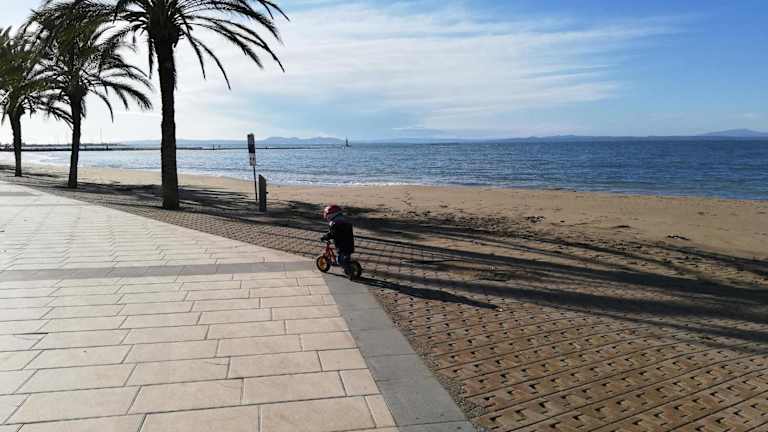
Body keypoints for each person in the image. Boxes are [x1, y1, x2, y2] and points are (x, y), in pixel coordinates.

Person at [321, 204, 355, 274]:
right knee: (346, 258)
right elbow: (336, 232)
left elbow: (332, 234)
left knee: (340, 261)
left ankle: (350, 271)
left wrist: (325, 237)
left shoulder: (334, 223)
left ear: (331, 215)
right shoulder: (344, 221)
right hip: (349, 244)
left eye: (327, 214)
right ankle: (347, 267)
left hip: (342, 246)